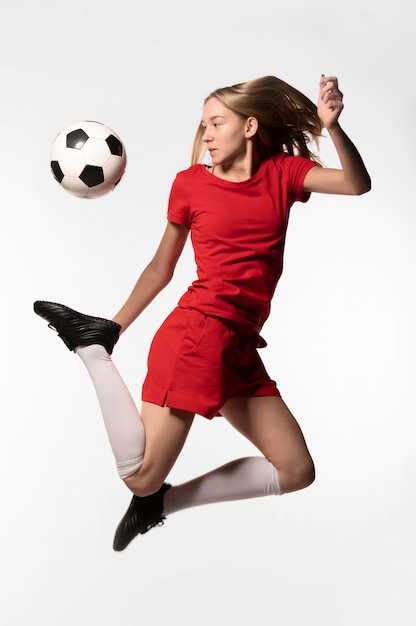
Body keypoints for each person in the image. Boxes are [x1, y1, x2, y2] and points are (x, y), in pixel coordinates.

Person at [34, 74, 371, 551]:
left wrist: (333, 128)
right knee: (141, 476)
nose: (207, 135)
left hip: (239, 345)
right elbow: (160, 268)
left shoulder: (283, 173)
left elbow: (357, 184)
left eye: (217, 123)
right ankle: (93, 350)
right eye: (204, 125)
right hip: (199, 333)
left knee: (296, 470)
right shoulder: (190, 184)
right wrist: (112, 328)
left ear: (250, 126)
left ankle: (160, 506)